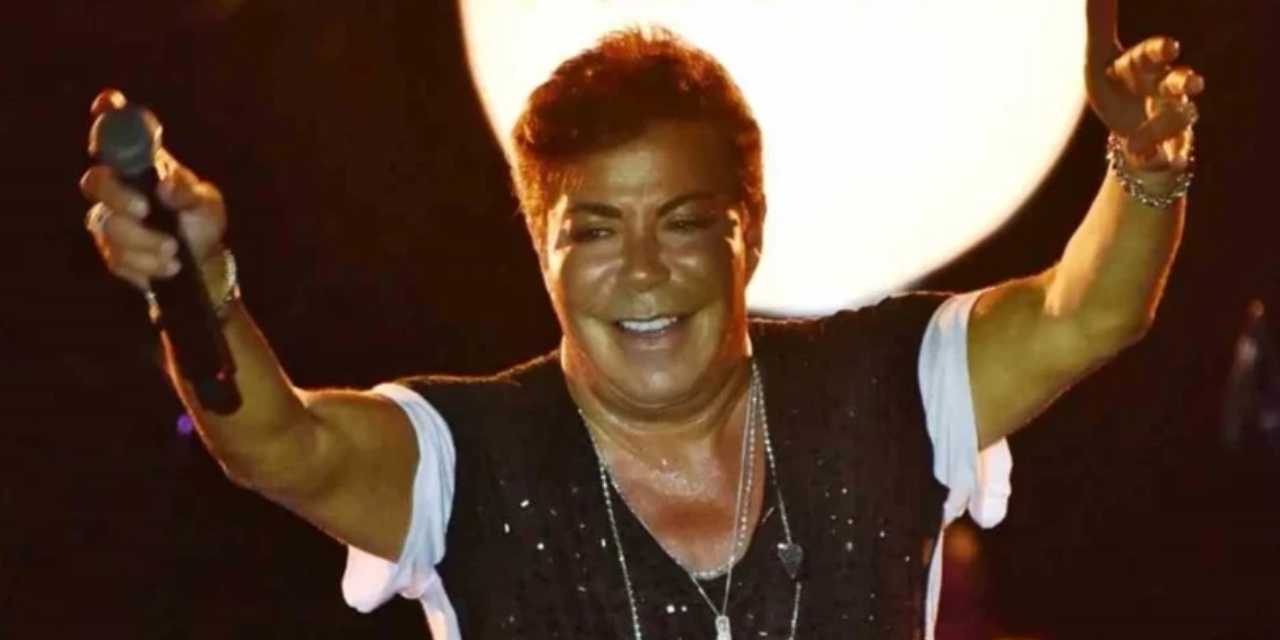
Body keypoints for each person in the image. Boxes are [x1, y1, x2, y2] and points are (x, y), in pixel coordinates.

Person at [79, 1, 1202, 637]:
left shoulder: (883, 386)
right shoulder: (465, 457)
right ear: (542, 246)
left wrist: (1146, 161)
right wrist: (197, 286)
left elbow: (1085, 312)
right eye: (597, 230)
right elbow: (276, 441)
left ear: (748, 230)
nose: (644, 270)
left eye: (684, 221)